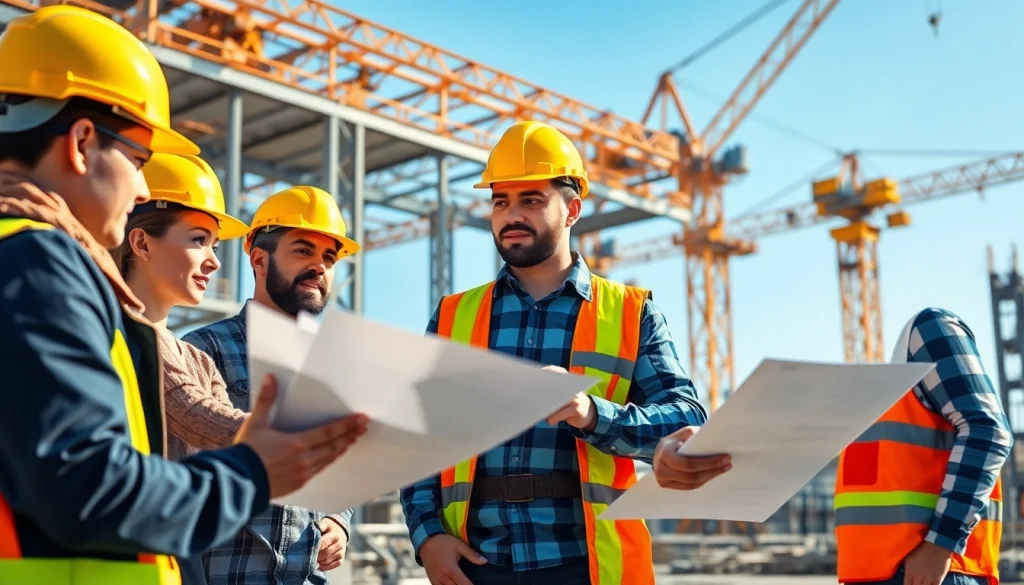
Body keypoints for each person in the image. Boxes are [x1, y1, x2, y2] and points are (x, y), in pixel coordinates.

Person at [0, 7, 367, 584]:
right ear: (81, 141)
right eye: (139, 160)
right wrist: (254, 469)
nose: (143, 186)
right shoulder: (36, 261)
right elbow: (88, 486)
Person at [399, 120, 719, 585]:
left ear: (572, 210)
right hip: (477, 563)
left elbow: (687, 420)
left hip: (588, 564)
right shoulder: (452, 316)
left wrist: (594, 414)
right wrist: (426, 536)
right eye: (500, 201)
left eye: (530, 200)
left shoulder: (632, 312)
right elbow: (413, 438)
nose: (511, 215)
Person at [182, 185, 363, 585]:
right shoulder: (201, 350)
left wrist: (339, 518)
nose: (319, 266)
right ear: (259, 260)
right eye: (303, 251)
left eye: (329, 258)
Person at [833, 308, 1011, 585]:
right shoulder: (873, 405)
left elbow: (989, 430)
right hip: (882, 574)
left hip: (931, 571)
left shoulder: (929, 329)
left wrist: (941, 544)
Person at [109, 152, 252, 461]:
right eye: (198, 240)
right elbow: (196, 414)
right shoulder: (114, 332)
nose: (214, 261)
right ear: (142, 243)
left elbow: (229, 448)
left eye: (215, 245)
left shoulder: (199, 361)